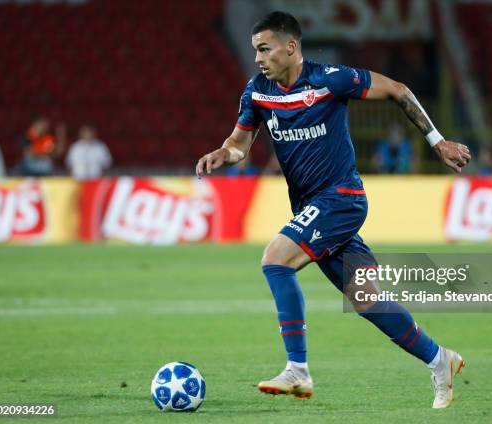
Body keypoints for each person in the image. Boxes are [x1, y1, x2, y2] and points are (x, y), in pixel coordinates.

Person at [196, 11, 470, 408]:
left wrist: (437, 142)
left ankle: (297, 370)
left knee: (275, 260)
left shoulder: (331, 80)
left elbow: (397, 89)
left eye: (264, 49)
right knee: (365, 298)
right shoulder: (257, 91)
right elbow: (239, 144)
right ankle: (439, 358)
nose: (258, 58)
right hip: (314, 207)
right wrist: (224, 153)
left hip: (341, 198)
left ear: (290, 47)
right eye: (255, 50)